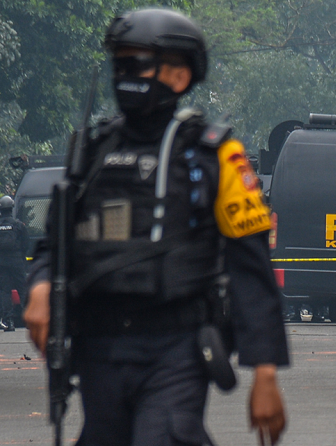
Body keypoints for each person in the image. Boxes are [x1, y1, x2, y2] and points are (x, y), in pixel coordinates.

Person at [23, 8, 289, 445]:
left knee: (164, 436)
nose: (125, 75)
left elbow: (251, 268)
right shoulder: (91, 153)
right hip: (99, 350)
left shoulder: (215, 156)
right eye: (119, 64)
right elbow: (54, 245)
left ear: (180, 76)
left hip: (176, 348)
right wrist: (39, 285)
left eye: (137, 64)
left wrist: (265, 374)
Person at [0, 196, 28, 332]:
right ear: (11, 208)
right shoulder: (18, 225)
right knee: (22, 289)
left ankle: (9, 321)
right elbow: (25, 245)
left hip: (1, 262)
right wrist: (21, 258)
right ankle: (29, 318)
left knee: (5, 291)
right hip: (16, 261)